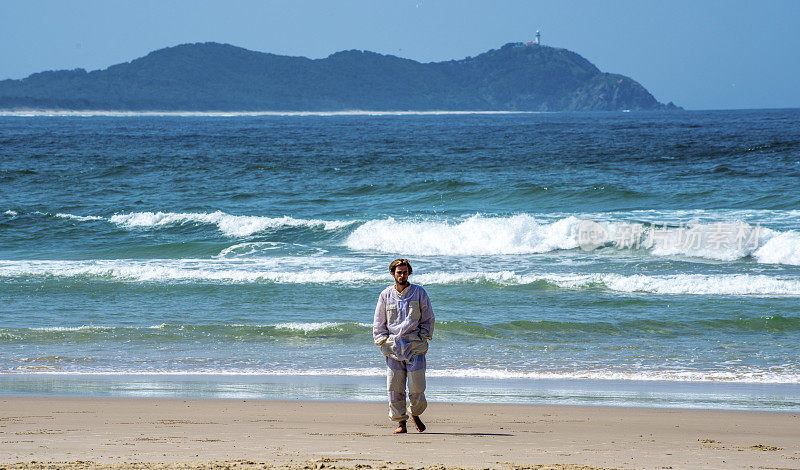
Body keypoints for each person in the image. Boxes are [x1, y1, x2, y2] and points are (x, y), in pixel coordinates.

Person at [373, 258, 434, 434]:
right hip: (393, 347)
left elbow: (428, 317)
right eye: (399, 272)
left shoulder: (419, 292)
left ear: (409, 273)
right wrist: (382, 340)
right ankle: (401, 423)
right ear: (393, 274)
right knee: (395, 387)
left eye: (405, 272)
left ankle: (415, 413)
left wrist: (424, 337)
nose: (402, 275)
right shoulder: (385, 295)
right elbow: (379, 320)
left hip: (415, 345)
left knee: (417, 387)